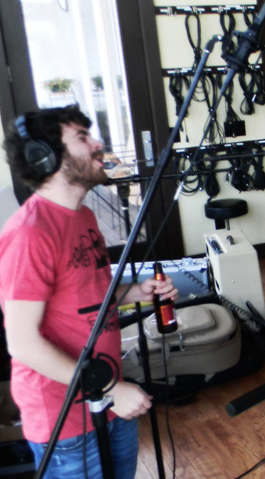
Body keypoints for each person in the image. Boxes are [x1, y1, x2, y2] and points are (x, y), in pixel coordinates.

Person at [0, 105, 177, 478]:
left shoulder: (83, 216)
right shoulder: (30, 234)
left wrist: (137, 292)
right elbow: (23, 343)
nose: (98, 143)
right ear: (45, 157)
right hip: (65, 421)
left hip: (110, 400)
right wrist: (113, 388)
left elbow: (87, 296)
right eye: (82, 137)